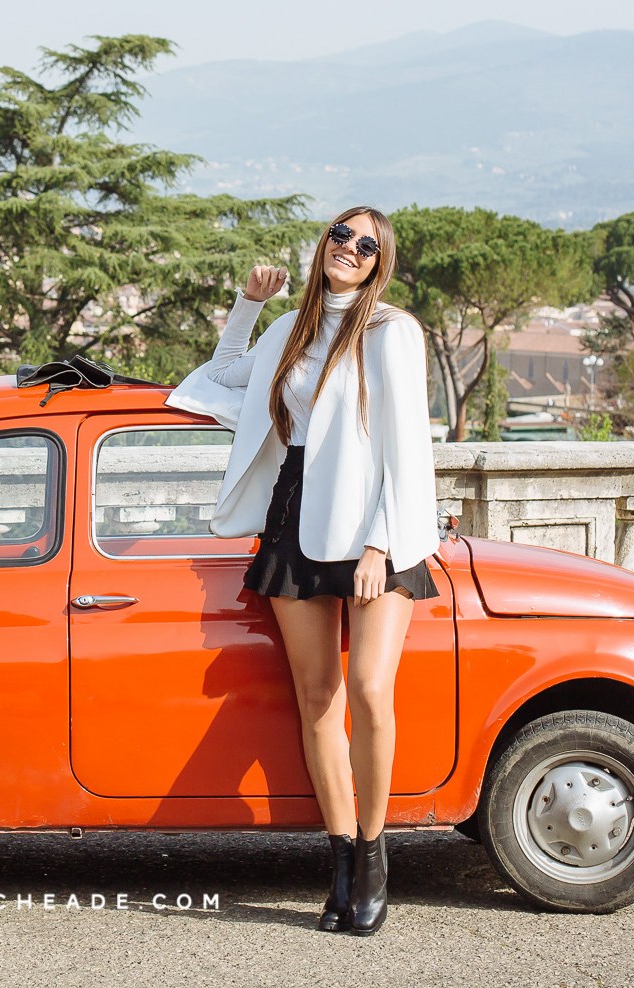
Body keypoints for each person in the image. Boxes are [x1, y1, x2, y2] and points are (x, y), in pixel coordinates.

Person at [166, 205, 440, 936]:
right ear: (323, 244)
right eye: (340, 235)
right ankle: (342, 857)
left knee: (370, 690)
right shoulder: (290, 329)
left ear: (381, 262)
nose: (348, 248)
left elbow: (407, 446)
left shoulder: (392, 333)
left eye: (366, 244)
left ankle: (377, 855)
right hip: (295, 517)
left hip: (375, 527)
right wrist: (249, 304)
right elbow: (221, 376)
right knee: (316, 697)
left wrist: (382, 544)